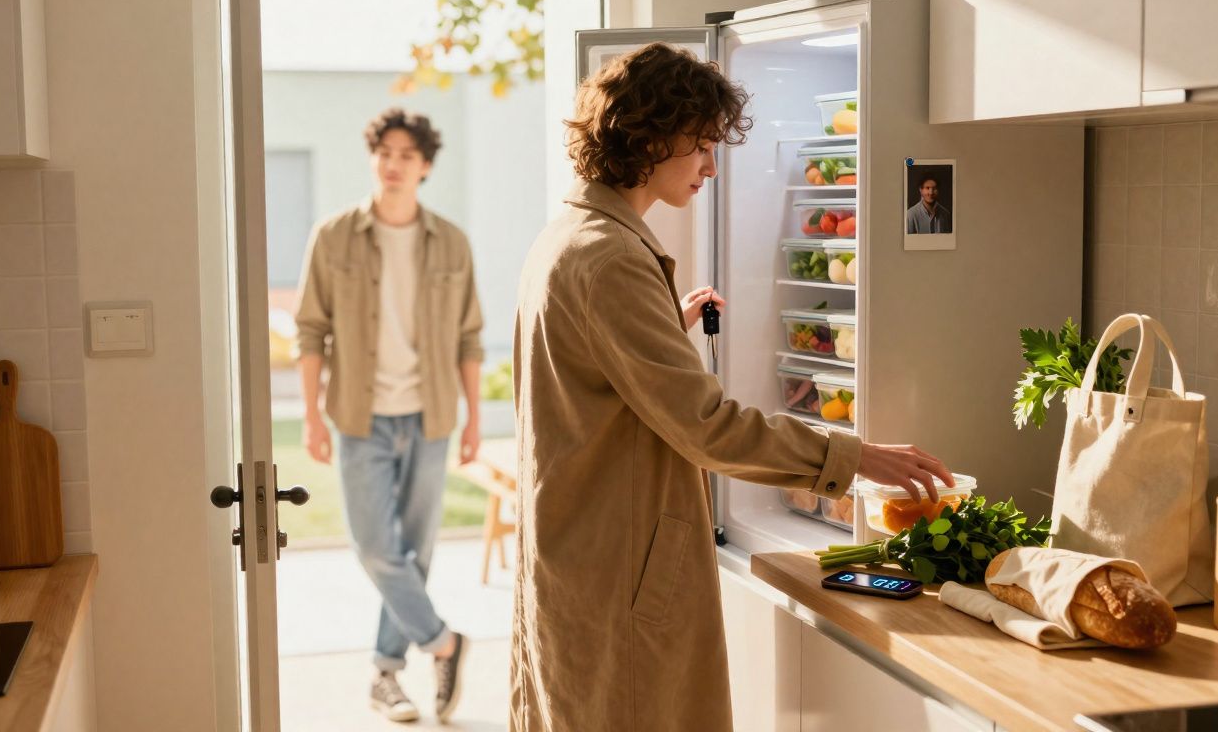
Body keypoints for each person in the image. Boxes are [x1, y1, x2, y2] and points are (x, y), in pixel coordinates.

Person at [511, 43, 954, 731]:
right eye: (702, 146)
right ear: (650, 137)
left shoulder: (570, 235)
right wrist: (856, 456)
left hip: (582, 555)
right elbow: (707, 426)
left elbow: (594, 383)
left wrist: (666, 327)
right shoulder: (611, 258)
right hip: (616, 575)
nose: (712, 167)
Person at [294, 108, 483, 724]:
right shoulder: (333, 236)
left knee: (415, 554)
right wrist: (311, 416)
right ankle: (443, 642)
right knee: (377, 549)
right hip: (359, 417)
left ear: (425, 166)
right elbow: (310, 330)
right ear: (373, 158)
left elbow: (469, 337)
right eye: (385, 153)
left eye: (407, 155)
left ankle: (386, 674)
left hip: (430, 417)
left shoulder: (451, 241)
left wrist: (474, 419)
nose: (394, 164)